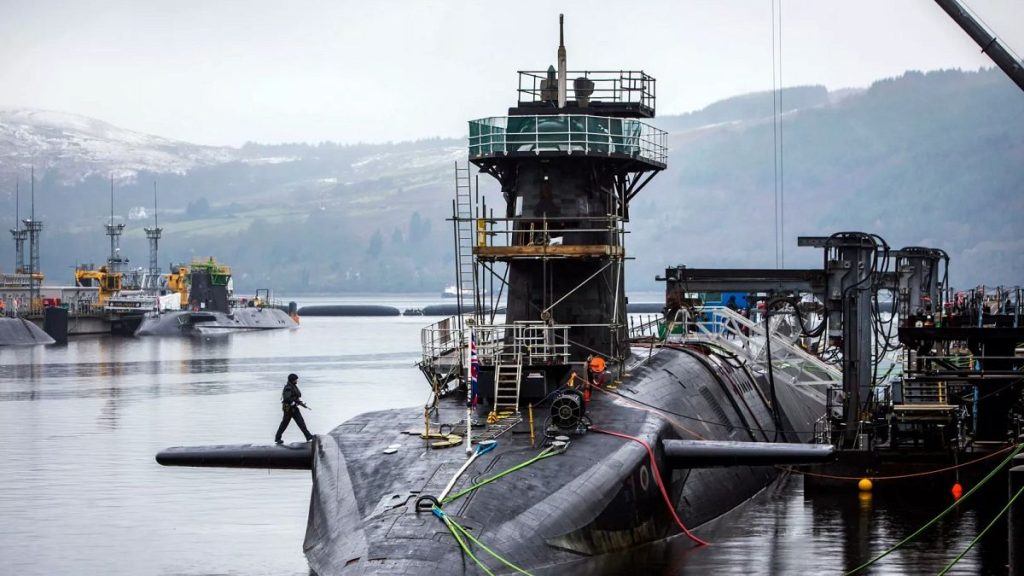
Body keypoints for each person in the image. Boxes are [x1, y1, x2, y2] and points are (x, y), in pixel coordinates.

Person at [275, 373, 313, 444]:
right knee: (284, 424)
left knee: (301, 422)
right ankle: (277, 438)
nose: (297, 381)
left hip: (293, 408)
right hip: (288, 409)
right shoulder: (288, 387)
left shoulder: (293, 386)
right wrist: (293, 403)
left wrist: (300, 403)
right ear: (293, 380)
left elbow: (294, 397)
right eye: (296, 379)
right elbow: (287, 398)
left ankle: (308, 436)